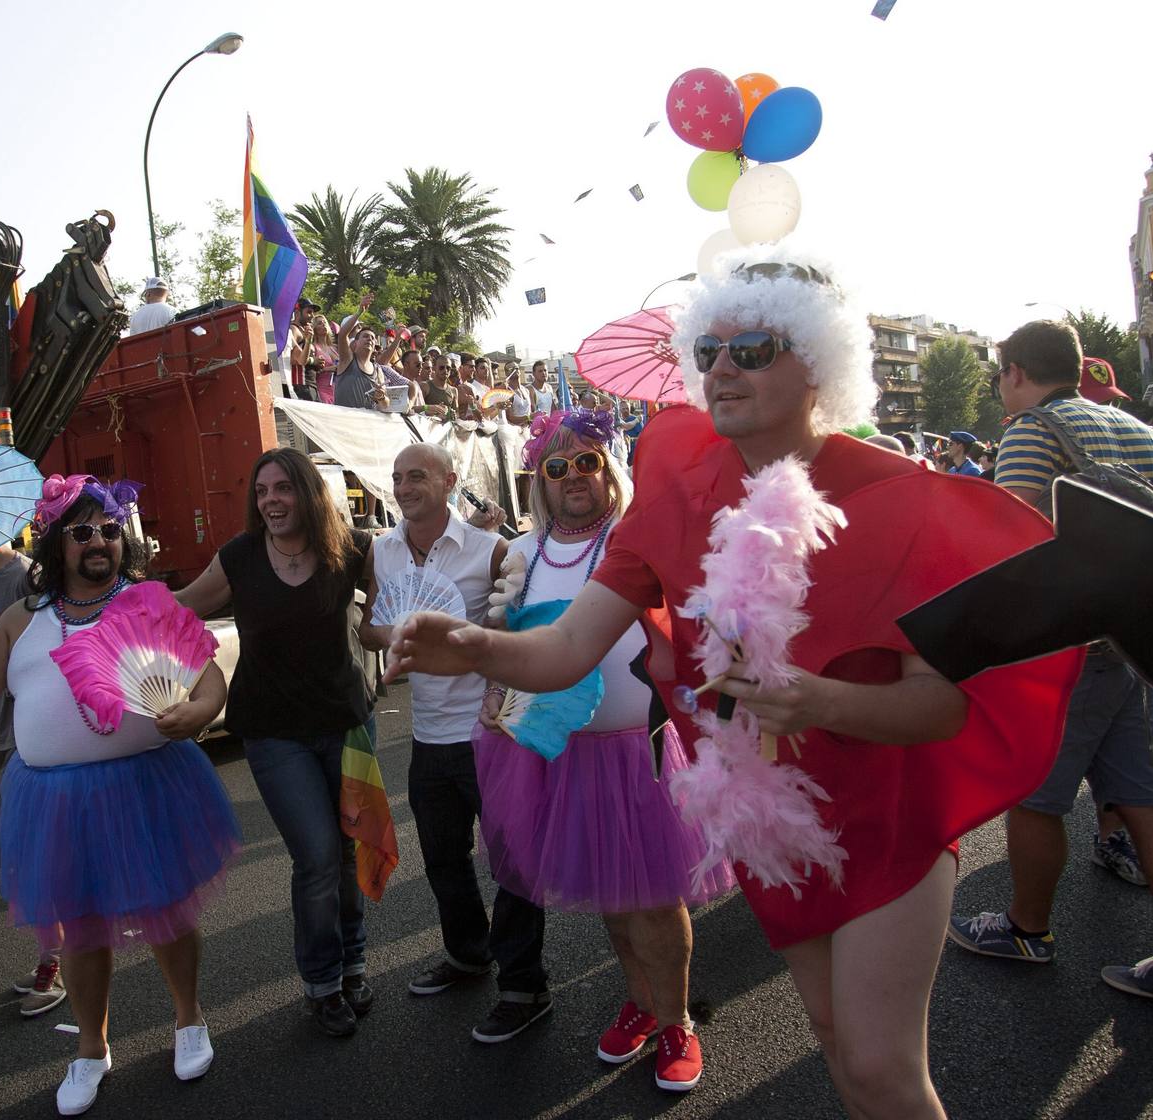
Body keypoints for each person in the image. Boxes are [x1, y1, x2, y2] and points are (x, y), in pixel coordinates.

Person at [385, 252, 1086, 1117]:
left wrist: (820, 701)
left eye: (752, 348)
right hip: (768, 819)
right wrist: (473, 645)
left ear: (820, 364)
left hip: (889, 814)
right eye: (709, 349)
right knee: (836, 1046)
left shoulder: (903, 498)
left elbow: (940, 704)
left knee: (879, 1067)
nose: (722, 367)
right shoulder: (675, 489)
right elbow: (566, 649)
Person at [950, 319, 1153, 1019]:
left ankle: (1024, 929)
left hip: (1066, 652)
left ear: (1015, 371)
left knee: (1035, 798)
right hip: (1136, 642)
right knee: (1149, 805)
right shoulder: (1138, 430)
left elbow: (1011, 544)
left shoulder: (1033, 432)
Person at [0, 475, 241, 1114]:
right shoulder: (24, 617)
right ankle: (90, 1048)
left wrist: (200, 714)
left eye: (109, 530)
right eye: (81, 532)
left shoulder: (145, 600)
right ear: (56, 543)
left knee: (166, 910)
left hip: (145, 783)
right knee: (80, 932)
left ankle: (188, 1019)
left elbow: (209, 676)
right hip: (52, 800)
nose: (98, 543)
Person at [476, 409, 734, 1091]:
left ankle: (677, 1019)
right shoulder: (524, 553)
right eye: (557, 468)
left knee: (652, 895)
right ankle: (643, 1003)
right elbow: (512, 640)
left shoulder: (636, 536)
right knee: (613, 895)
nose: (573, 477)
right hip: (562, 755)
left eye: (587, 461)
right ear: (541, 482)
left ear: (609, 469)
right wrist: (494, 688)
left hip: (641, 746)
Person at [361, 444, 559, 1046]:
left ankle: (525, 986)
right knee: (445, 859)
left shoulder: (489, 549)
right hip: (426, 737)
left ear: (449, 481)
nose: (403, 487)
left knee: (512, 861)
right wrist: (401, 629)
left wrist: (480, 662)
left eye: (416, 476)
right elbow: (369, 623)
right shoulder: (383, 548)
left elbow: (512, 628)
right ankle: (469, 955)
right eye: (397, 478)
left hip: (487, 732)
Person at [176, 448, 378, 1037]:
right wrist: (109, 604)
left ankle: (353, 963)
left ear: (308, 494)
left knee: (346, 851)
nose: (271, 501)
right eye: (262, 491)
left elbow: (408, 586)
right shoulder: (239, 557)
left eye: (283, 489)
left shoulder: (351, 548)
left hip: (344, 721)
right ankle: (322, 983)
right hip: (272, 732)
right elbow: (183, 605)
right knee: (315, 856)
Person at [0, 541, 65, 1018]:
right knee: (15, 859)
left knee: (29, 857)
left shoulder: (26, 578)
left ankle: (54, 963)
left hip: (25, 736)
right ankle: (51, 953)